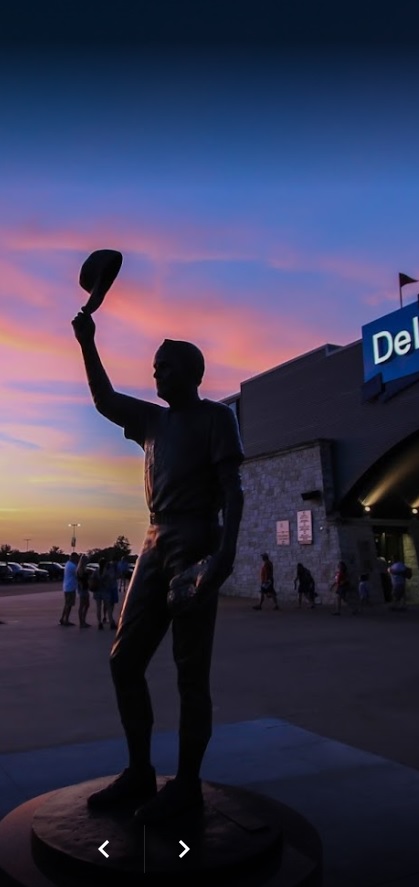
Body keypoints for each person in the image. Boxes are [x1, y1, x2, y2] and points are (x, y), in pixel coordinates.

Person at [72, 308, 244, 823]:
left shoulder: (216, 418)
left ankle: (187, 784)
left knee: (191, 673)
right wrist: (87, 342)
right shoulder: (152, 420)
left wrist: (223, 557)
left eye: (165, 367)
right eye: (155, 367)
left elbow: (233, 492)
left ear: (193, 373)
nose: (156, 374)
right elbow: (104, 400)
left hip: (195, 538)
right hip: (154, 536)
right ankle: (141, 772)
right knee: (124, 660)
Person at [59, 552, 79, 626]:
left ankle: (62, 618)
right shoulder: (72, 566)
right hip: (70, 587)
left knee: (67, 604)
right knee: (69, 604)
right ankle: (66, 619)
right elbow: (78, 573)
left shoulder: (68, 564)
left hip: (67, 586)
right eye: (76, 558)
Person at [76, 553, 91, 628]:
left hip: (85, 588)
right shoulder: (80, 570)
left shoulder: (83, 569)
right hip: (83, 589)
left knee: (86, 605)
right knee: (82, 605)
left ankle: (83, 620)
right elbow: (79, 580)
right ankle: (82, 622)